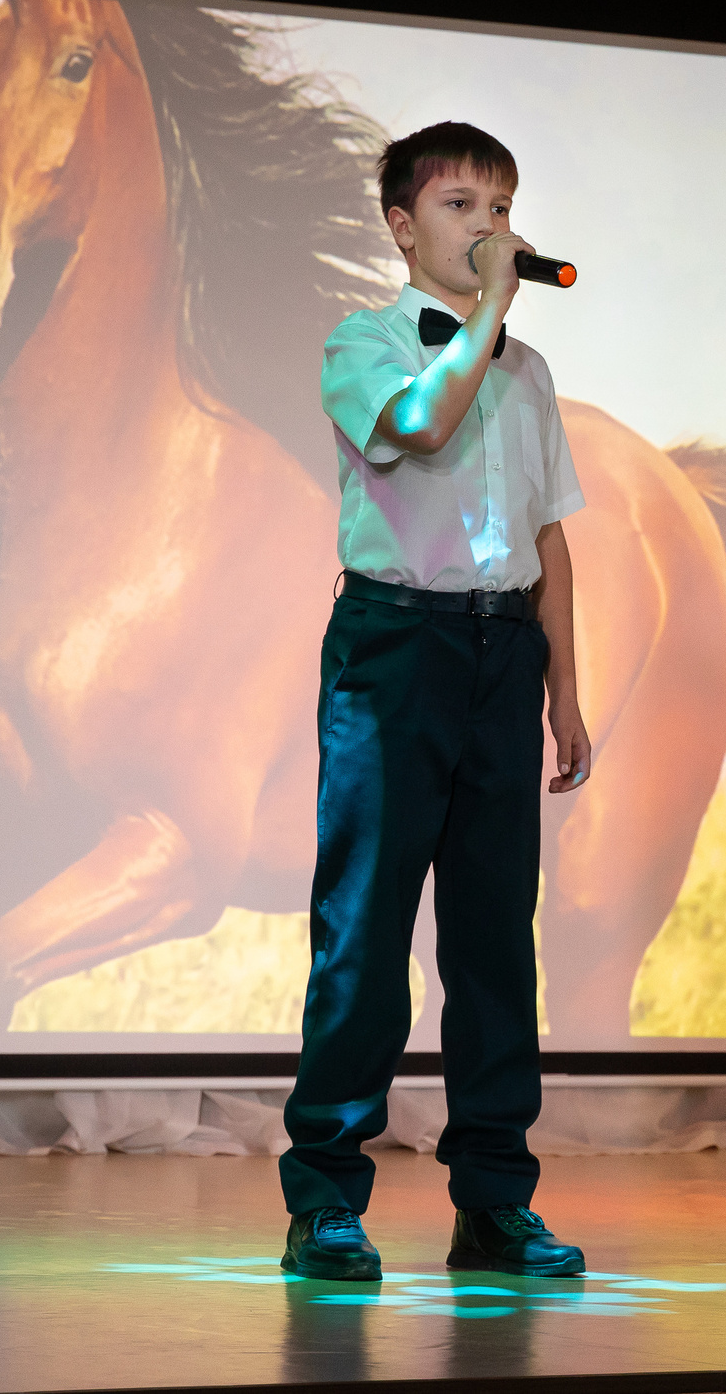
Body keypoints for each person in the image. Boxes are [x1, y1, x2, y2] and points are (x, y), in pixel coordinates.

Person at [279, 121, 593, 1283]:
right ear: (404, 226)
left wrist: (564, 686)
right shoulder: (362, 343)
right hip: (394, 647)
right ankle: (325, 1199)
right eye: (462, 205)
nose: (489, 226)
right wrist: (486, 320)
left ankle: (495, 1203)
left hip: (503, 655)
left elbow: (549, 537)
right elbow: (420, 425)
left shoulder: (528, 371)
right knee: (362, 934)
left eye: (502, 206)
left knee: (494, 941)